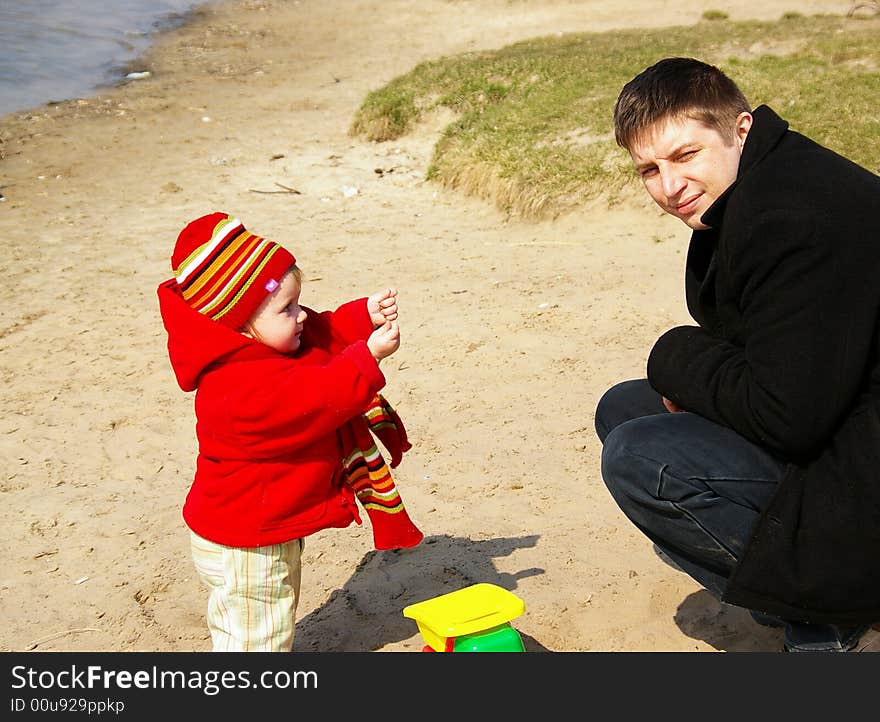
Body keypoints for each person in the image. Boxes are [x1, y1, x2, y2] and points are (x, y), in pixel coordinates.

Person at [595, 57, 880, 652]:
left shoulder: (794, 216)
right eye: (649, 169)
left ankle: (830, 607)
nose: (669, 188)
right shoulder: (757, 186)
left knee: (642, 457)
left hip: (859, 458)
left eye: (684, 156)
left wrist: (674, 355)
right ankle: (813, 596)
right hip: (843, 422)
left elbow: (788, 418)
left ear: (740, 130)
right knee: (625, 409)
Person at [157, 212, 423, 651]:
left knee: (270, 615)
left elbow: (322, 333)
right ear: (240, 325)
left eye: (298, 302)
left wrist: (363, 317)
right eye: (287, 309)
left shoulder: (271, 345)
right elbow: (314, 401)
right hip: (245, 541)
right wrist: (367, 358)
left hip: (268, 529)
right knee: (256, 635)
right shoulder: (234, 388)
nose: (301, 316)